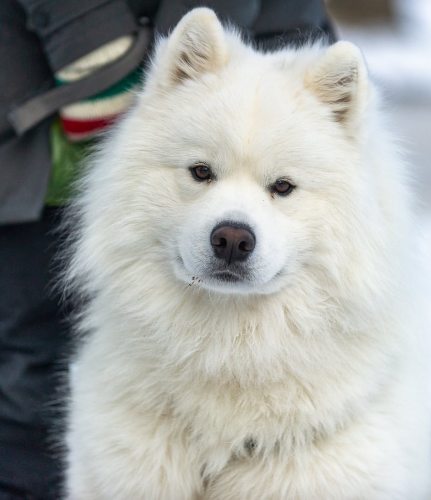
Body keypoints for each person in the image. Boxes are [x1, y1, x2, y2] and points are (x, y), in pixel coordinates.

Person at [0, 1, 335, 497]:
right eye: (204, 176)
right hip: (48, 89)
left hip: (263, 39)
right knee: (29, 356)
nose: (232, 233)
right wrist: (96, 44)